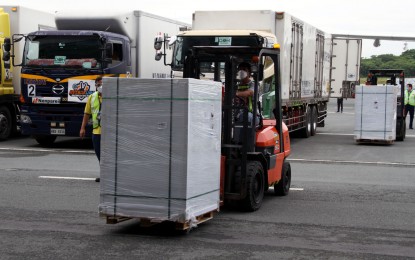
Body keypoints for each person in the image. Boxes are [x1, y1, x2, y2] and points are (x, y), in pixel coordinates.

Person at [80, 76, 103, 181]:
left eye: (102, 84)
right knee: (99, 154)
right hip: (96, 131)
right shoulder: (92, 97)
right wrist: (82, 128)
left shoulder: (111, 97)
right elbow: (86, 113)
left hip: (108, 132)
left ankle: (107, 175)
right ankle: (104, 174)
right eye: (98, 85)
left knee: (108, 155)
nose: (100, 86)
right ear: (95, 85)